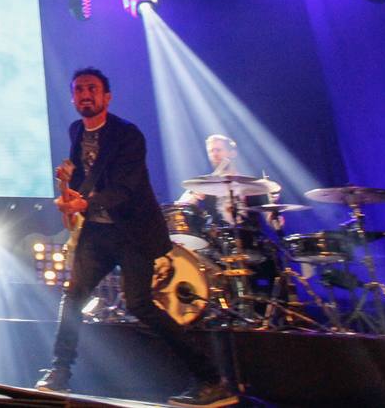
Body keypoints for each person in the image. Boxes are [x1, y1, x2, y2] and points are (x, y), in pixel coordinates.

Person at [36, 68, 236, 408]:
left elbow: (125, 188)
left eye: (92, 88)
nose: (85, 94)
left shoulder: (127, 134)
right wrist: (70, 189)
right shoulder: (76, 131)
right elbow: (86, 178)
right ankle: (59, 372)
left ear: (107, 97)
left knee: (139, 304)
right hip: (98, 231)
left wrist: (84, 202)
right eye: (79, 89)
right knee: (73, 296)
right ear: (72, 97)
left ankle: (211, 379)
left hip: (133, 231)